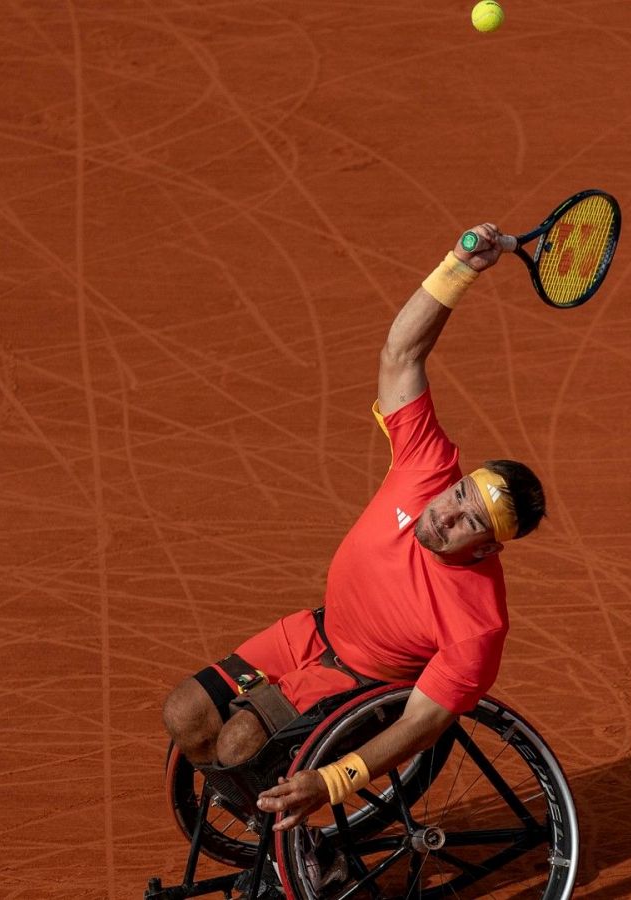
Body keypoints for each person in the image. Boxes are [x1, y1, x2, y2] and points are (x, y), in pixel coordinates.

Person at [160, 221, 547, 836]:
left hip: (362, 684)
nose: (446, 513)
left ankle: (306, 847)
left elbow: (422, 722)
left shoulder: (479, 623)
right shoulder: (426, 465)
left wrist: (334, 780)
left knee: (236, 744)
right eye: (458, 494)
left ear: (490, 546)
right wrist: (460, 266)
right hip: (311, 633)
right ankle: (277, 830)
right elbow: (401, 354)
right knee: (184, 713)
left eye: (469, 520)